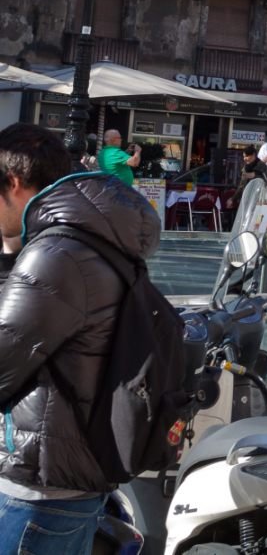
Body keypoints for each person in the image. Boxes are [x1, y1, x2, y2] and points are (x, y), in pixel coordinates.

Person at [0, 122, 160, 552]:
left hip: (38, 487)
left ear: (13, 184)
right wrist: (12, 249)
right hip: (75, 475)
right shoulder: (93, 241)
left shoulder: (54, 256)